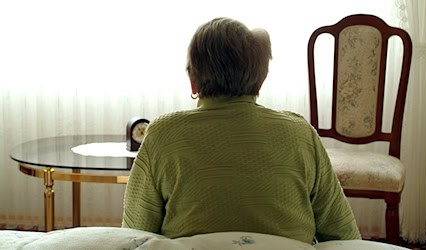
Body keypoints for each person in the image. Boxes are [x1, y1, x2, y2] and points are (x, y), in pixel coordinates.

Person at [122, 17, 361, 244]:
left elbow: (135, 235)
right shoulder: (301, 134)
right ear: (260, 81)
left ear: (193, 81)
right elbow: (343, 234)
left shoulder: (164, 134)